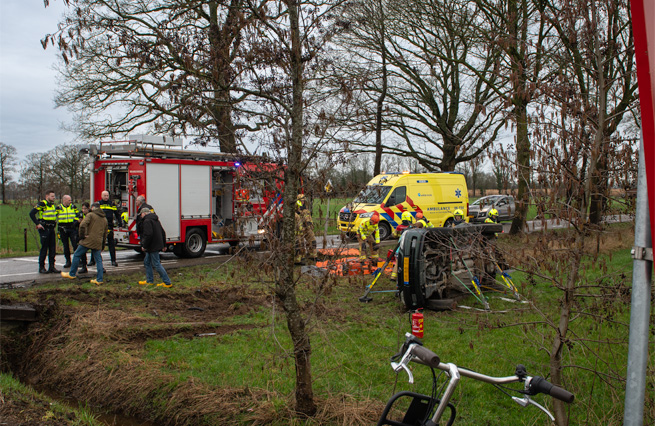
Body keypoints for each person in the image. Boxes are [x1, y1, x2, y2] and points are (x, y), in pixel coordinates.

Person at [61, 202, 108, 285]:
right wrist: (102, 245)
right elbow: (105, 234)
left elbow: (82, 225)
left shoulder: (90, 215)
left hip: (88, 240)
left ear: (93, 207)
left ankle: (72, 274)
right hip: (98, 241)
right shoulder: (104, 219)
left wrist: (82, 236)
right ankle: (99, 279)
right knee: (98, 260)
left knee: (77, 254)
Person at [138, 208, 172, 288]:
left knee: (156, 264)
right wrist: (164, 244)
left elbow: (148, 235)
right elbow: (162, 232)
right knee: (147, 262)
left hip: (152, 246)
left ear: (144, 213)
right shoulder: (155, 220)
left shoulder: (147, 221)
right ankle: (150, 281)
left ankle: (167, 282)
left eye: (141, 214)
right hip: (156, 244)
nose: (141, 216)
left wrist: (144, 245)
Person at [29, 190, 60, 274]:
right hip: (44, 229)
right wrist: (37, 223)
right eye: (52, 196)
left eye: (54, 196)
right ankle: (41, 267)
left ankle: (52, 267)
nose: (54, 198)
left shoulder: (52, 205)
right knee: (44, 248)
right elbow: (31, 213)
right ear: (47, 196)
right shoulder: (42, 204)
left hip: (51, 229)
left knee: (52, 249)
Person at [56, 195, 80, 268]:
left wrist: (75, 223)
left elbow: (78, 215)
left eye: (71, 200)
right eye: (69, 200)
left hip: (72, 228)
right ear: (64, 200)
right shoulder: (59, 207)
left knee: (75, 245)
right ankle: (68, 261)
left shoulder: (73, 207)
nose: (70, 201)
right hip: (63, 228)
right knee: (65, 246)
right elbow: (54, 216)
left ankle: (77, 261)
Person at [97, 190, 119, 267]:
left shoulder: (112, 204)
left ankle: (113, 260)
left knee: (111, 244)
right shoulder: (98, 204)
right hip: (100, 226)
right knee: (98, 244)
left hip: (109, 226)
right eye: (105, 195)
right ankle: (93, 260)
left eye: (107, 195)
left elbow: (117, 214)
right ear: (101, 196)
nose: (106, 197)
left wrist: (120, 222)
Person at [296, 194, 317, 262]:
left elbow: (308, 217)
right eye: (301, 201)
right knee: (300, 244)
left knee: (312, 241)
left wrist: (311, 224)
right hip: (300, 229)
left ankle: (313, 256)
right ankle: (299, 259)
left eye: (304, 201)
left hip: (307, 228)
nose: (303, 202)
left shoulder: (305, 208)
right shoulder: (296, 209)